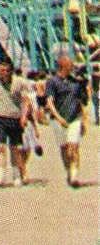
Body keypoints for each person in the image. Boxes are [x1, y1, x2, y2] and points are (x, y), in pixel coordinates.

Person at [0, 56, 35, 186]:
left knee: (15, 148)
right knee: (0, 147)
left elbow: (26, 101)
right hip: (0, 117)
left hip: (15, 118)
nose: (4, 73)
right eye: (1, 70)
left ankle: (16, 175)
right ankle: (0, 176)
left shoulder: (19, 82)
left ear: (11, 71)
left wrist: (24, 117)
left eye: (7, 70)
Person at [42, 54, 89, 187]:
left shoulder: (76, 82)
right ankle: (69, 171)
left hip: (74, 118)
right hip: (58, 119)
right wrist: (58, 117)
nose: (73, 67)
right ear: (63, 66)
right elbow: (49, 102)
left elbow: (82, 103)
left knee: (73, 147)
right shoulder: (52, 81)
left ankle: (74, 176)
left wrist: (84, 120)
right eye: (70, 65)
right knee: (64, 148)